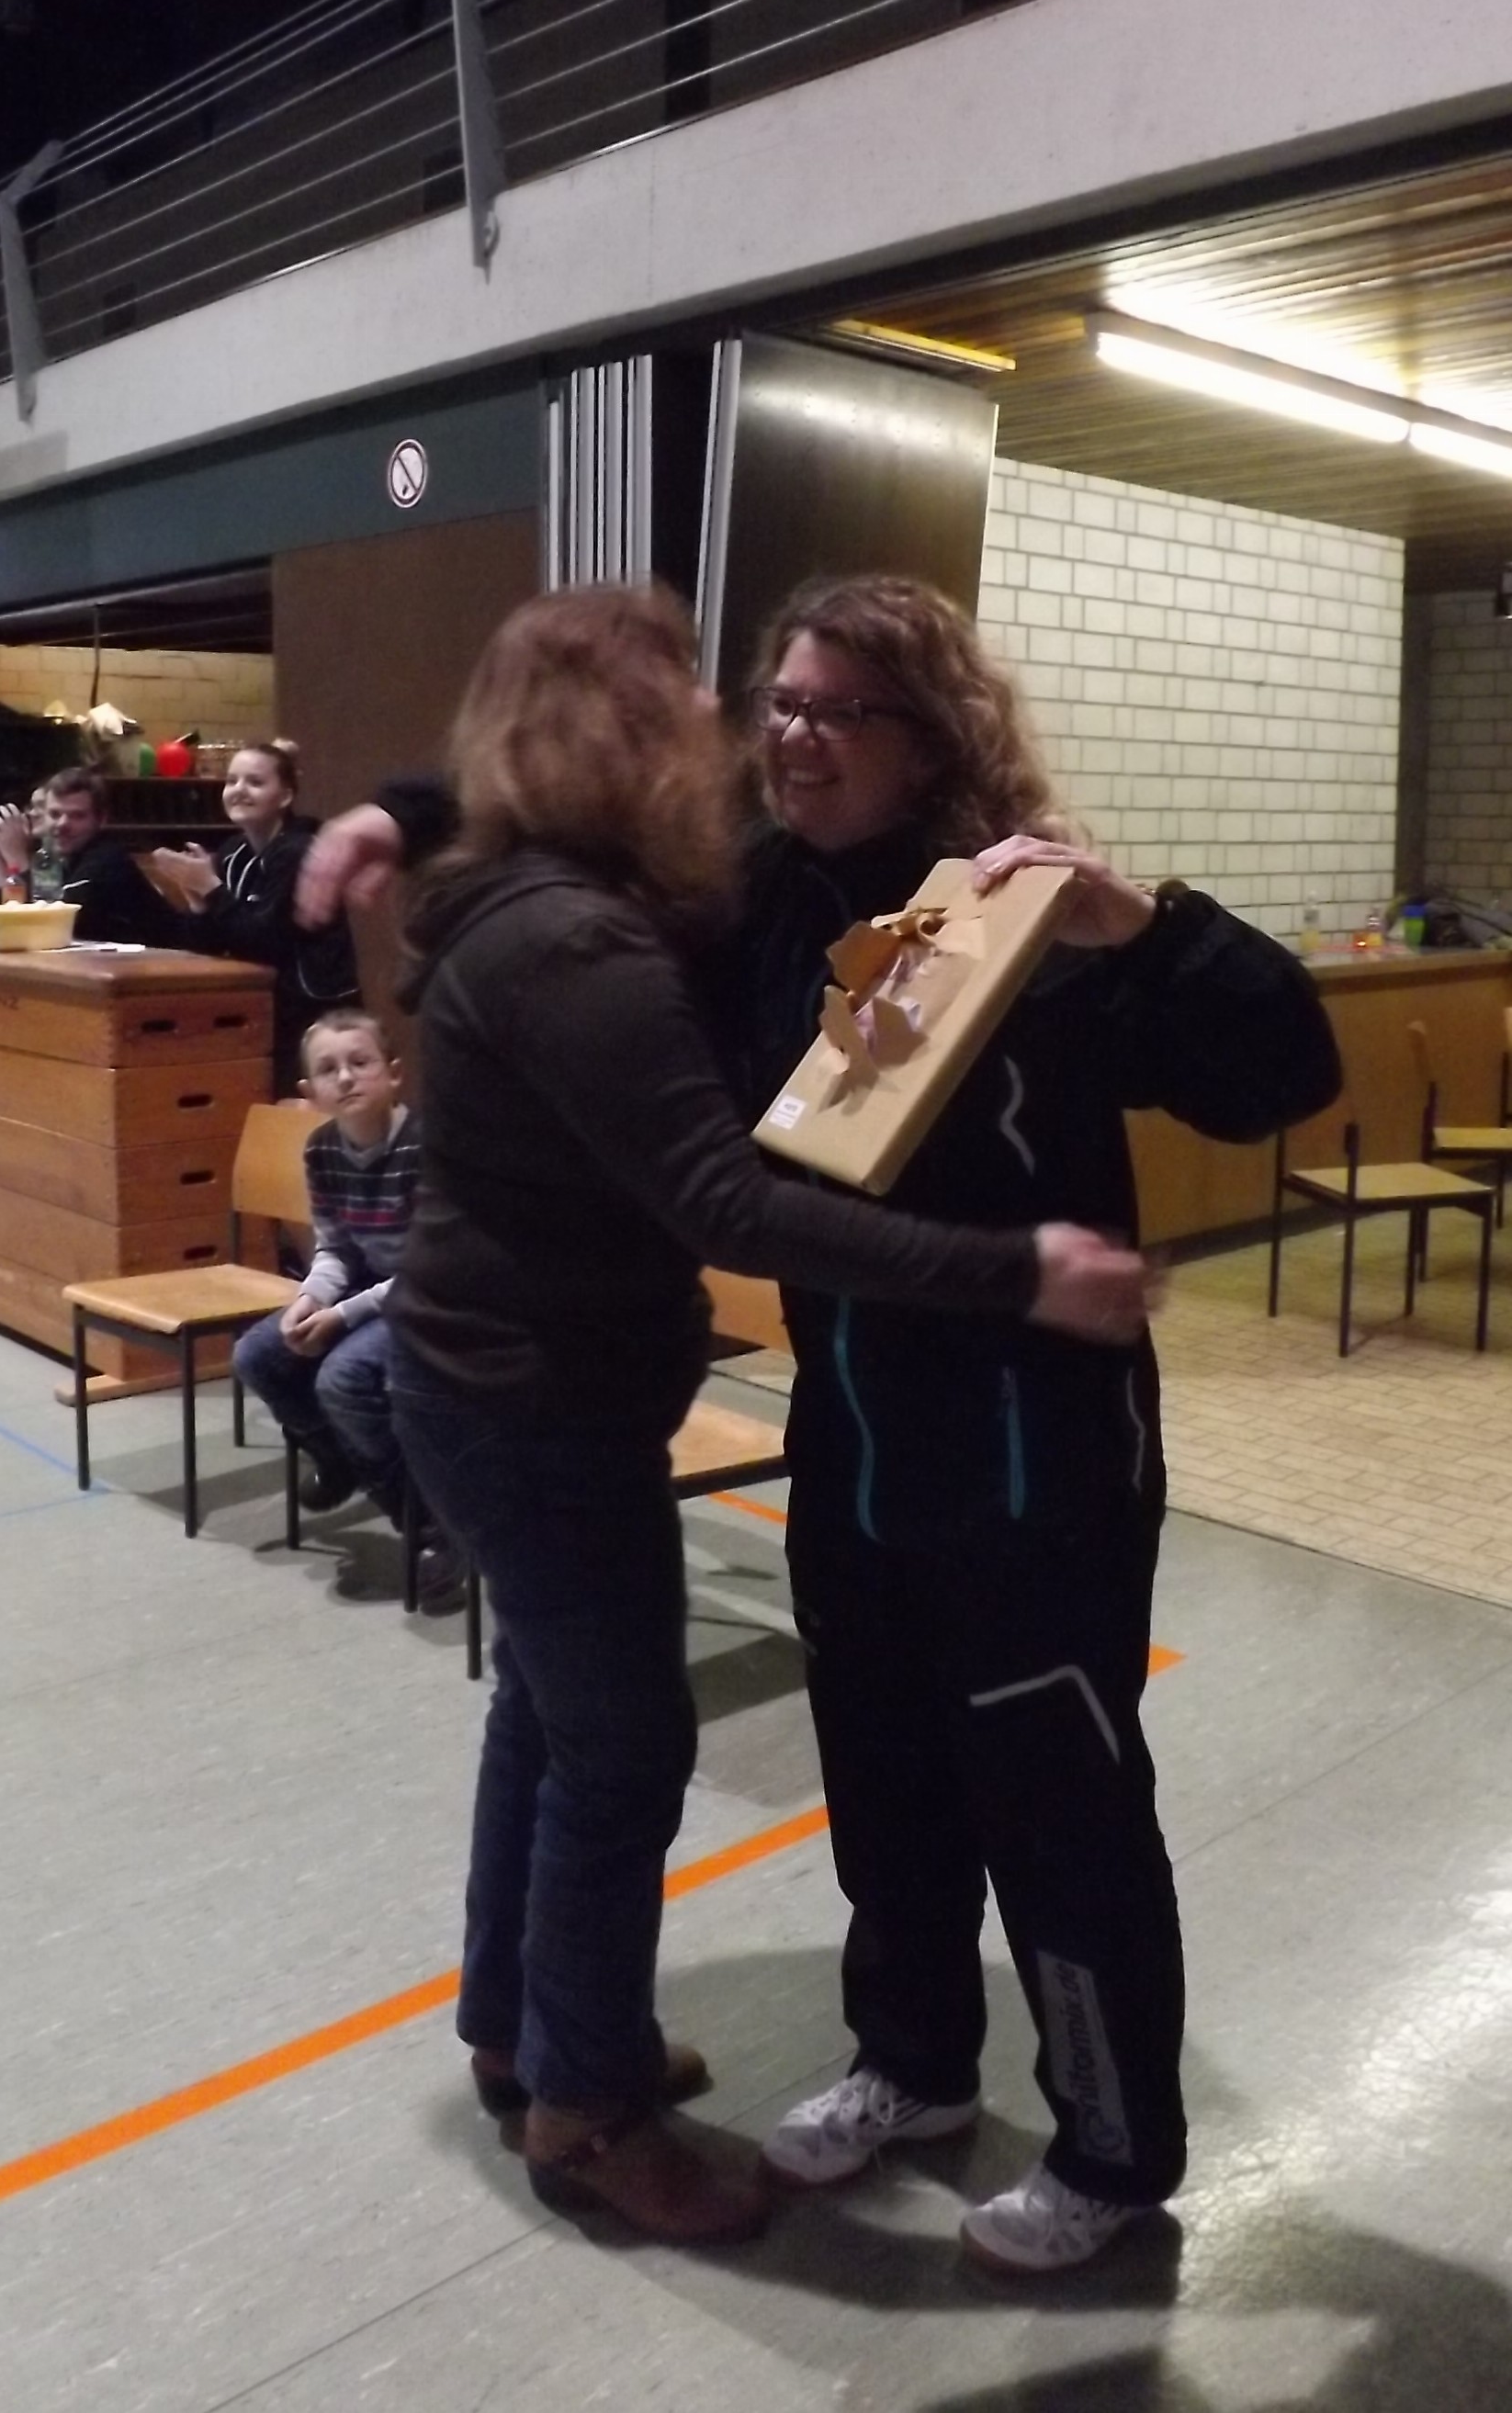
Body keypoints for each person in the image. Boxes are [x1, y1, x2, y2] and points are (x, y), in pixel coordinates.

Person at [299, 570, 1340, 2278]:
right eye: (777, 703)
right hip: (852, 1434)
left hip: (1031, 1451)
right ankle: (912, 2060)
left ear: (930, 734)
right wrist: (394, 812)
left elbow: (1280, 1071)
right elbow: (559, 799)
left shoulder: (1021, 909)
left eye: (836, 710)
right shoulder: (761, 899)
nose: (789, 737)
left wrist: (1146, 926)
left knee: (1057, 1806)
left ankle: (1108, 2146)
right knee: (886, 1777)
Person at [231, 1008, 460, 1604]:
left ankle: (433, 1530)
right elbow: (334, 1248)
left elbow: (427, 1267)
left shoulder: (427, 1146)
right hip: (370, 1287)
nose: (347, 1077)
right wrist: (309, 1298)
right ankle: (338, 1455)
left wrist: (341, 1315)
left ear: (394, 1073)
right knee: (258, 1355)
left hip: (434, 1296)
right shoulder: (322, 1151)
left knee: (343, 1377)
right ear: (310, 1091)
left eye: (361, 1062)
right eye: (329, 1069)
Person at [152, 740, 361, 1094]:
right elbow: (210, 945)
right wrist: (196, 897)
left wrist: (210, 888)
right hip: (256, 1006)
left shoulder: (299, 850)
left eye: (255, 782)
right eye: (232, 781)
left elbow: (265, 940)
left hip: (311, 1014)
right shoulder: (233, 853)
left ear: (285, 796)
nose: (239, 790)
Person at [0, 763, 180, 944]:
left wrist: (17, 860)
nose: (62, 824)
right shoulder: (58, 858)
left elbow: (57, 922)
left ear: (101, 820)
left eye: (77, 816)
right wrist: (2, 857)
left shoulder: (107, 860)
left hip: (173, 961)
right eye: (54, 814)